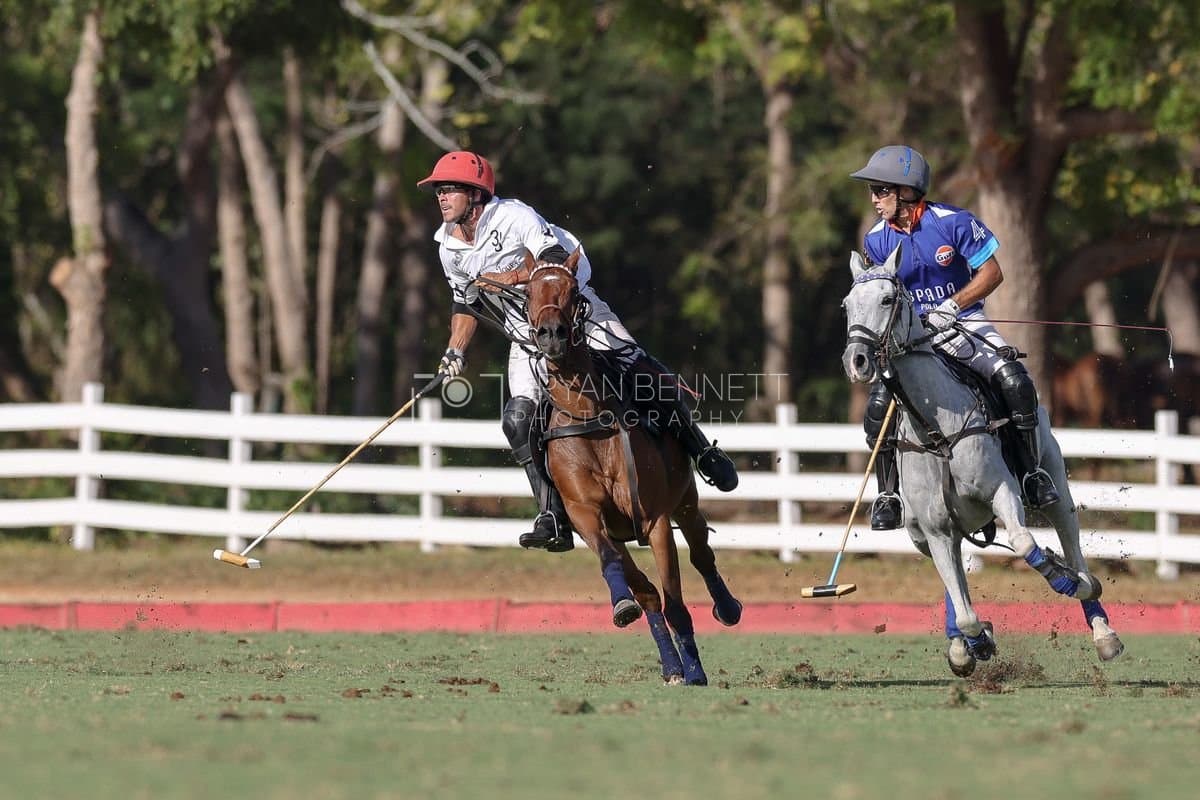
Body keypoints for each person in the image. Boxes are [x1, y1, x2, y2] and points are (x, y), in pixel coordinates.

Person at [417, 151, 738, 552]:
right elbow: (465, 303)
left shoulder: (514, 217)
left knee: (642, 372)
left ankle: (700, 449)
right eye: (439, 191)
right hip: (528, 339)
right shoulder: (447, 247)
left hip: (577, 315)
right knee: (518, 420)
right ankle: (551, 514)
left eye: (449, 190)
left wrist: (511, 278)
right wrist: (455, 350)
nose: (441, 197)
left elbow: (554, 260)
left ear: (476, 194)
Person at [848, 144, 1060, 531]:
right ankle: (888, 495)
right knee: (878, 406)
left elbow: (992, 273)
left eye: (880, 190)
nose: (874, 199)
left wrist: (953, 304)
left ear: (906, 190)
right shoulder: (876, 240)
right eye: (872, 191)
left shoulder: (953, 222)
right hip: (913, 339)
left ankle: (1032, 475)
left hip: (965, 323)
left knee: (1013, 379)